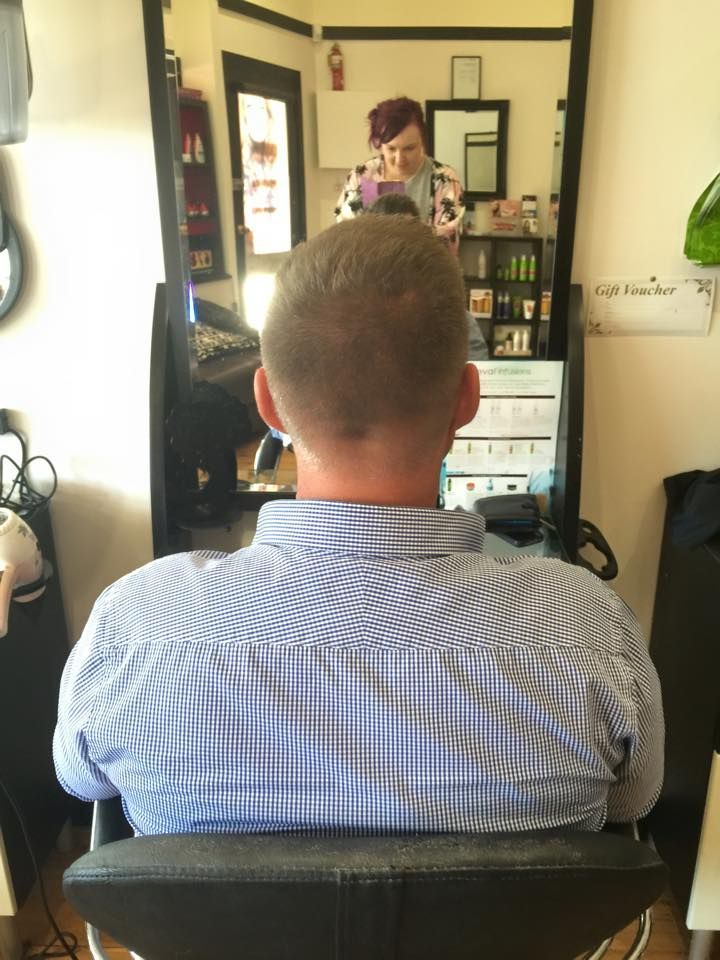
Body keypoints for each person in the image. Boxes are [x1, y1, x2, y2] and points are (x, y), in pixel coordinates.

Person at [54, 216, 663, 837]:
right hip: (513, 940)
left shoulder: (134, 626)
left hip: (217, 941)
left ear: (267, 404)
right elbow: (632, 804)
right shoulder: (590, 630)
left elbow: (82, 780)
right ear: (468, 398)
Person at [366, 192, 488, 360]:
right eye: (388, 239)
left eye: (406, 237)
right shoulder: (352, 303)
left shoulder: (441, 301)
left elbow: (476, 363)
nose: (397, 250)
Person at [335, 96, 465, 253]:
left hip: (424, 273)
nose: (399, 159)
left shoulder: (443, 179)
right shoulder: (363, 176)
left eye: (409, 148)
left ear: (422, 141)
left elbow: (446, 243)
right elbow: (344, 234)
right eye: (391, 149)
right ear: (379, 144)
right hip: (369, 272)